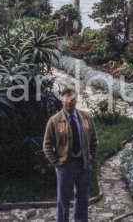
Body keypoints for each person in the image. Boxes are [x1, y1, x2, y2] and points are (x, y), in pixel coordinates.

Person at [43, 86, 98, 222]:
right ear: (62, 101)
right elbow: (47, 145)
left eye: (72, 100)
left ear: (76, 100)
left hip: (83, 165)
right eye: (66, 100)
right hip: (65, 167)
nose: (69, 103)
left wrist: (91, 158)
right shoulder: (54, 121)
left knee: (83, 198)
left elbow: (94, 140)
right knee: (63, 200)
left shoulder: (86, 117)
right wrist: (57, 163)